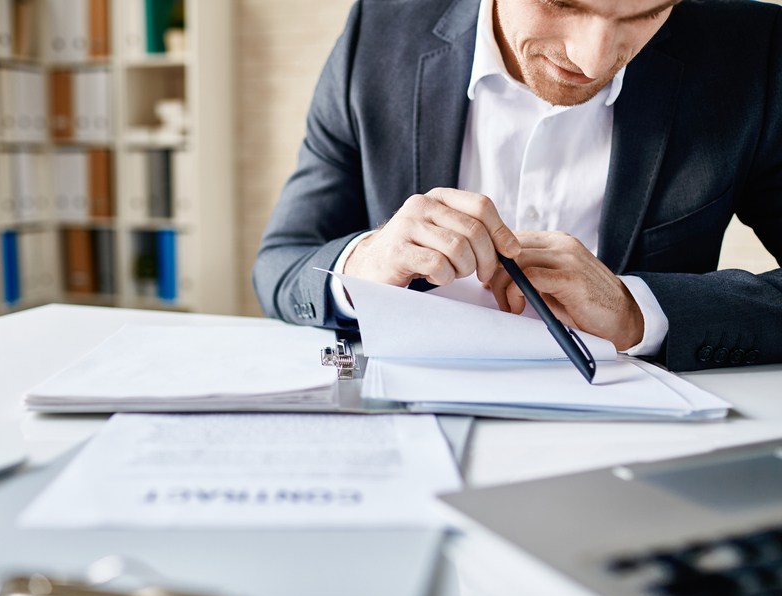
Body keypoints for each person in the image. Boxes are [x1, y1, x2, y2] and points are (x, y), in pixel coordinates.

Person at [252, 0, 782, 372]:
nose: (593, 59)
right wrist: (363, 265)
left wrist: (636, 311)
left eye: (647, 13)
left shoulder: (751, 51)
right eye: (562, 3)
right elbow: (281, 263)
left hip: (635, 437)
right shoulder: (379, 32)